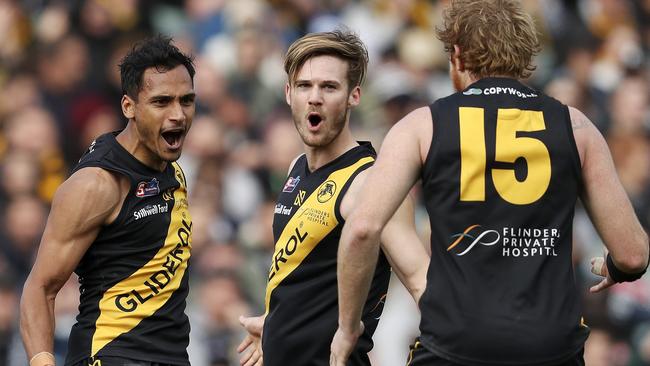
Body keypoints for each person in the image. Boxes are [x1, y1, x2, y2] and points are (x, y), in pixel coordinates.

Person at [330, 1, 650, 365]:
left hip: (455, 344)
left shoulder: (422, 126)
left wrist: (347, 327)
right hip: (551, 348)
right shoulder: (574, 126)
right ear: (524, 54)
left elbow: (362, 229)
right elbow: (633, 254)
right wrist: (616, 267)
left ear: (459, 55)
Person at [237, 30, 429, 366]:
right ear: (288, 94)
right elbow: (311, 277)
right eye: (304, 86)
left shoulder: (372, 181)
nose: (314, 98)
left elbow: (421, 281)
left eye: (329, 87)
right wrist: (277, 324)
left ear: (354, 96)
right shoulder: (297, 167)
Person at [20, 35, 197, 366]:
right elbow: (39, 288)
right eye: (162, 102)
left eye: (186, 101)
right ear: (128, 106)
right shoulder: (96, 184)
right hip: (109, 355)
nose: (178, 115)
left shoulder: (172, 169)